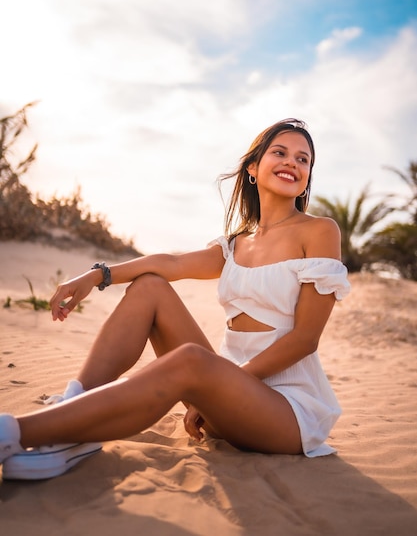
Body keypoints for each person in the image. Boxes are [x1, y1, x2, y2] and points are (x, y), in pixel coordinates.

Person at [0, 118, 350, 480]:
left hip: (285, 412)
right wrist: (97, 275)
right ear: (252, 167)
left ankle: (16, 433)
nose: (292, 162)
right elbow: (172, 263)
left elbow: (305, 339)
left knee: (193, 361)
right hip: (224, 398)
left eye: (303, 159)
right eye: (280, 152)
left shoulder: (320, 231)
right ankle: (76, 412)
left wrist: (223, 383)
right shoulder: (235, 244)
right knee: (150, 285)